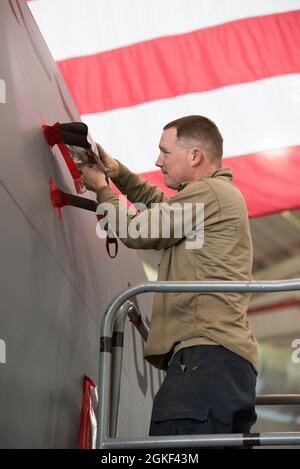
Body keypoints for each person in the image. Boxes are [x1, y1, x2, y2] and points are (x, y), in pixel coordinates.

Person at [81, 115, 258, 437]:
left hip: (204, 360)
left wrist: (102, 190)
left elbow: (137, 231)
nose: (157, 161)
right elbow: (162, 205)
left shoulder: (209, 193)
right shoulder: (216, 196)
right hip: (225, 364)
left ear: (194, 156)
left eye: (164, 152)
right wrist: (118, 173)